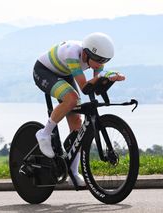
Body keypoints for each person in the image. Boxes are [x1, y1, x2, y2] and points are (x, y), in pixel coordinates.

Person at [32, 32, 125, 186]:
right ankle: (44, 134)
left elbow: (95, 87)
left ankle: (73, 173)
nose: (100, 64)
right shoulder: (72, 54)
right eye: (99, 60)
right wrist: (103, 76)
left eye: (105, 61)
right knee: (72, 98)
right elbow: (84, 87)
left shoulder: (96, 57)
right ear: (87, 53)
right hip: (44, 71)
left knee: (77, 123)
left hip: (64, 72)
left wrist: (110, 77)